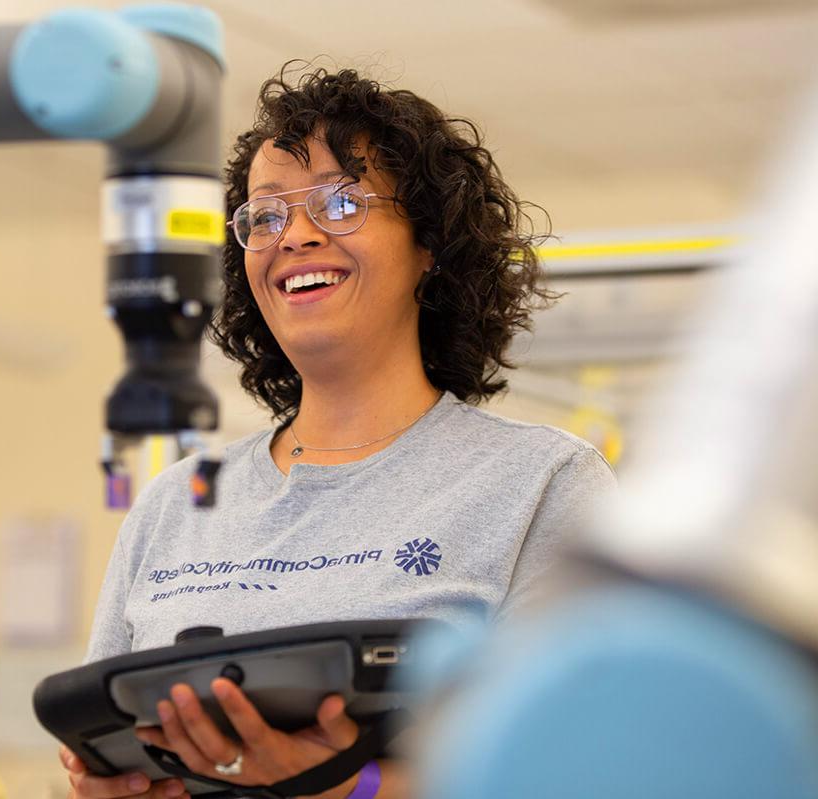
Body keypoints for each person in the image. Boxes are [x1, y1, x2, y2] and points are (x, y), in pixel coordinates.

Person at [60, 65, 616, 799]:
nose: (294, 234)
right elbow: (98, 743)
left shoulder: (541, 485)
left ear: (430, 245)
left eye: (342, 201)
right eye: (265, 215)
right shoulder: (176, 504)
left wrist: (341, 786)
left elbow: (590, 769)